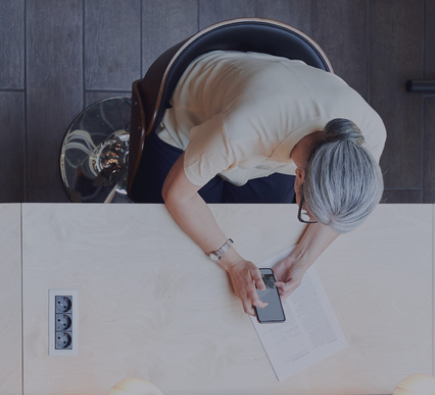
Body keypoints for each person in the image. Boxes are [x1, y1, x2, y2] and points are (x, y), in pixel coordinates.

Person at [128, 50, 386, 316]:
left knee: (256, 228)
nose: (316, 219)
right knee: (164, 229)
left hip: (260, 151)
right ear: (301, 176)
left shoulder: (369, 137)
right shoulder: (244, 129)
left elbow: (336, 215)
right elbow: (178, 195)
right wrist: (234, 264)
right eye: (310, 213)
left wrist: (300, 260)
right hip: (193, 125)